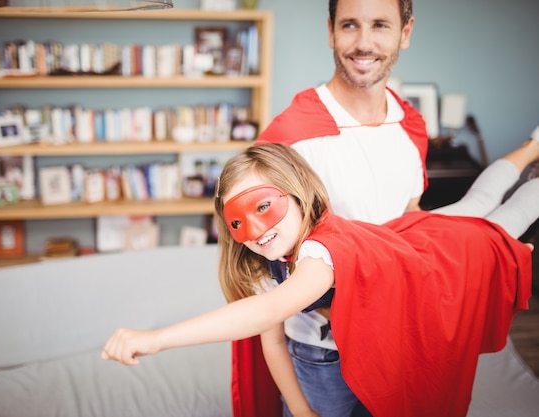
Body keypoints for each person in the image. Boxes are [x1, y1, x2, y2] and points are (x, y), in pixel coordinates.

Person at [102, 142, 537, 417]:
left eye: (263, 207)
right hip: (323, 360)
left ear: (298, 192)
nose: (254, 233)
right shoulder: (259, 261)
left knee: (498, 218)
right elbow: (271, 337)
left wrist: (158, 338)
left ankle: (533, 145)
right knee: (481, 205)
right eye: (236, 222)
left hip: (427, 261)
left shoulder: (318, 252)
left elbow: (269, 310)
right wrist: (298, 409)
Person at [239, 0, 426, 415]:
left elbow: (411, 227)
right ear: (330, 32)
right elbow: (263, 258)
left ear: (405, 32)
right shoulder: (291, 139)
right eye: (349, 25)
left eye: (380, 25)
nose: (364, 43)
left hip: (398, 339)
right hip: (322, 353)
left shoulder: (411, 127)